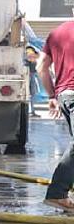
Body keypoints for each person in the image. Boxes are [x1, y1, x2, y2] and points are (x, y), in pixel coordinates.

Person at [38, 15, 74, 211]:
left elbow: (41, 67)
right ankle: (57, 193)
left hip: (64, 96)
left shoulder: (56, 33)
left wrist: (52, 95)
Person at [26, 46, 41, 117]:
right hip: (29, 76)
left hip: (31, 75)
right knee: (30, 95)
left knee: (32, 95)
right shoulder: (28, 58)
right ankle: (31, 111)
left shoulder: (30, 58)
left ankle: (32, 111)